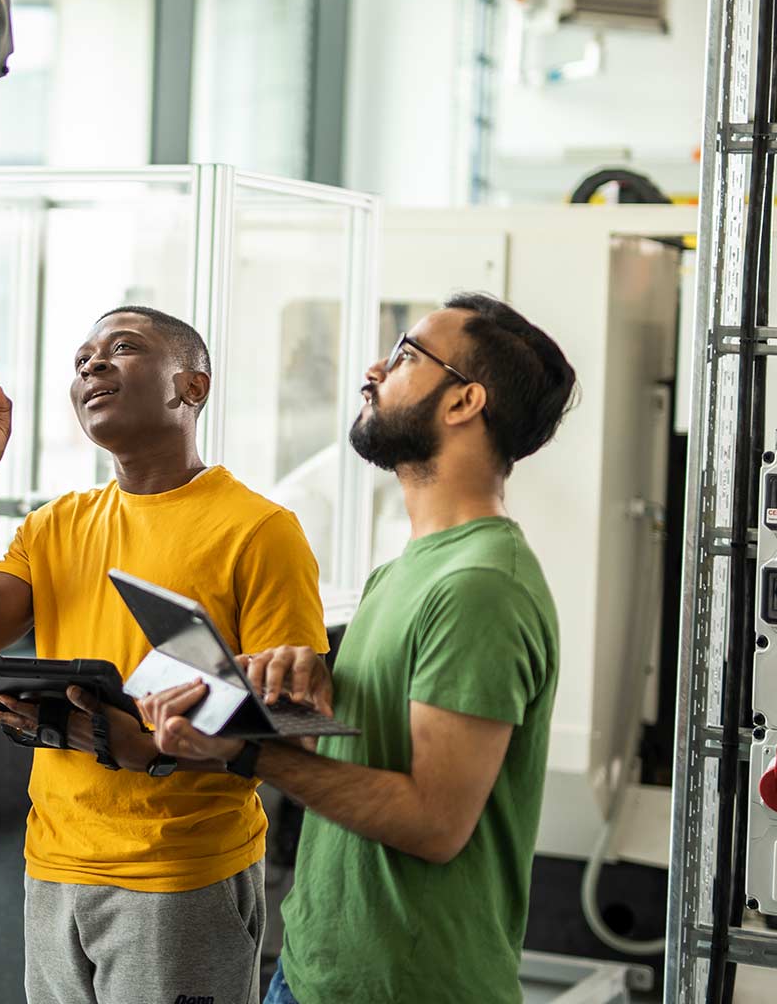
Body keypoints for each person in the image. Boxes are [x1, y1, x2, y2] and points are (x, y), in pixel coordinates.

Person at [139, 293, 578, 1004]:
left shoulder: (481, 586)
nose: (374, 369)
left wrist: (246, 753)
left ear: (464, 402)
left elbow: (434, 822)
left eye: (406, 355)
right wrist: (283, 694)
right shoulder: (405, 569)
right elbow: (361, 760)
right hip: (318, 971)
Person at [0, 306, 329, 1004]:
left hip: (181, 876)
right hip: (54, 866)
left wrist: (149, 747)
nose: (92, 365)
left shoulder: (261, 530)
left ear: (191, 388)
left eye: (122, 349)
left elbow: (297, 722)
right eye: (83, 358)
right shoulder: (56, 524)